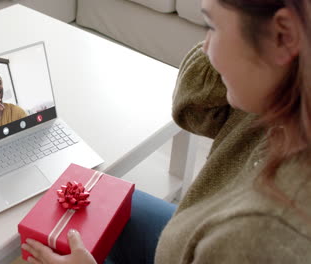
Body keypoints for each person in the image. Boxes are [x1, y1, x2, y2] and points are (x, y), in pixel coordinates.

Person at [22, 0, 311, 263]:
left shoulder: (258, 236)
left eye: (211, 26)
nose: (205, 48)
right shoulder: (283, 91)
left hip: (208, 244)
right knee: (97, 206)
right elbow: (193, 106)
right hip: (193, 235)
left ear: (283, 36)